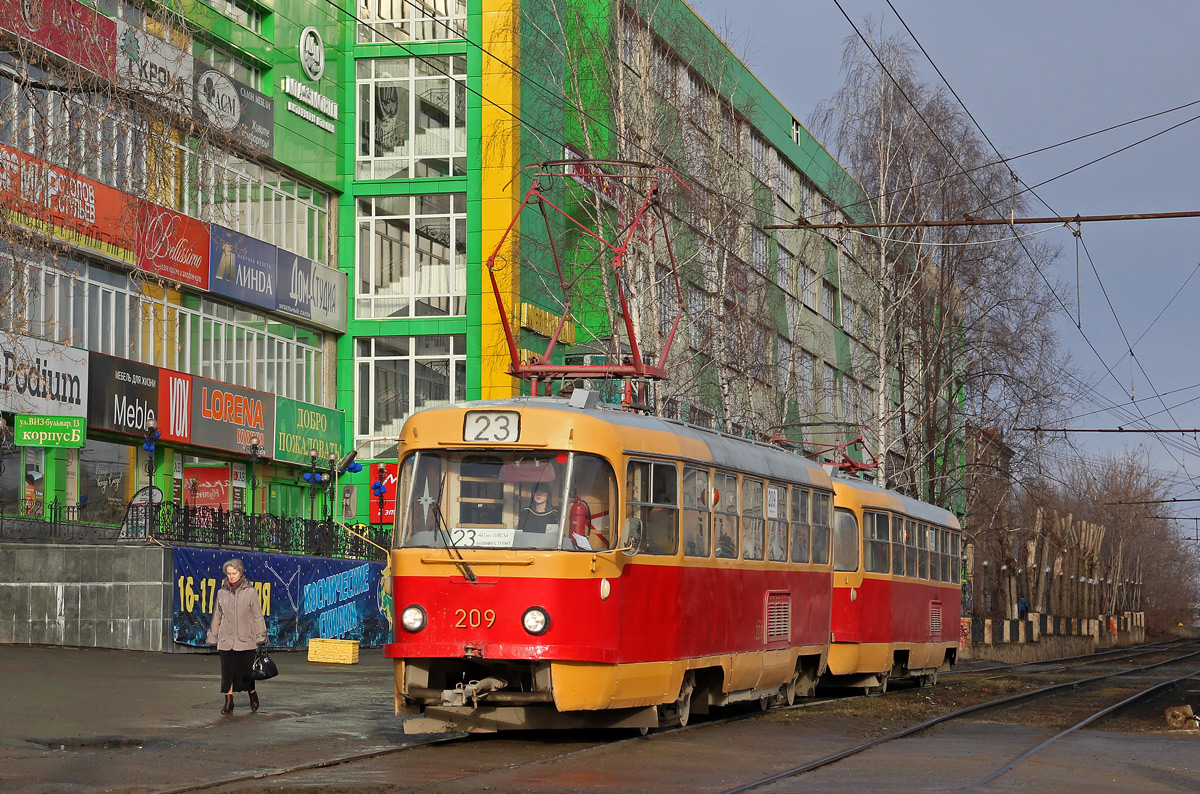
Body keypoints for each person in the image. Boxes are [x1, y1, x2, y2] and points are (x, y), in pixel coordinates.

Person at [206, 558, 267, 715]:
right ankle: (229, 701)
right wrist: (213, 637)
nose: (231, 576)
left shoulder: (250, 592)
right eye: (228, 573)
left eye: (234, 573)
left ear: (241, 573)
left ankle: (252, 693)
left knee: (245, 673)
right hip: (226, 639)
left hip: (246, 639)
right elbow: (217, 616)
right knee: (227, 672)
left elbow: (257, 615)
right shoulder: (221, 593)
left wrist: (261, 636)